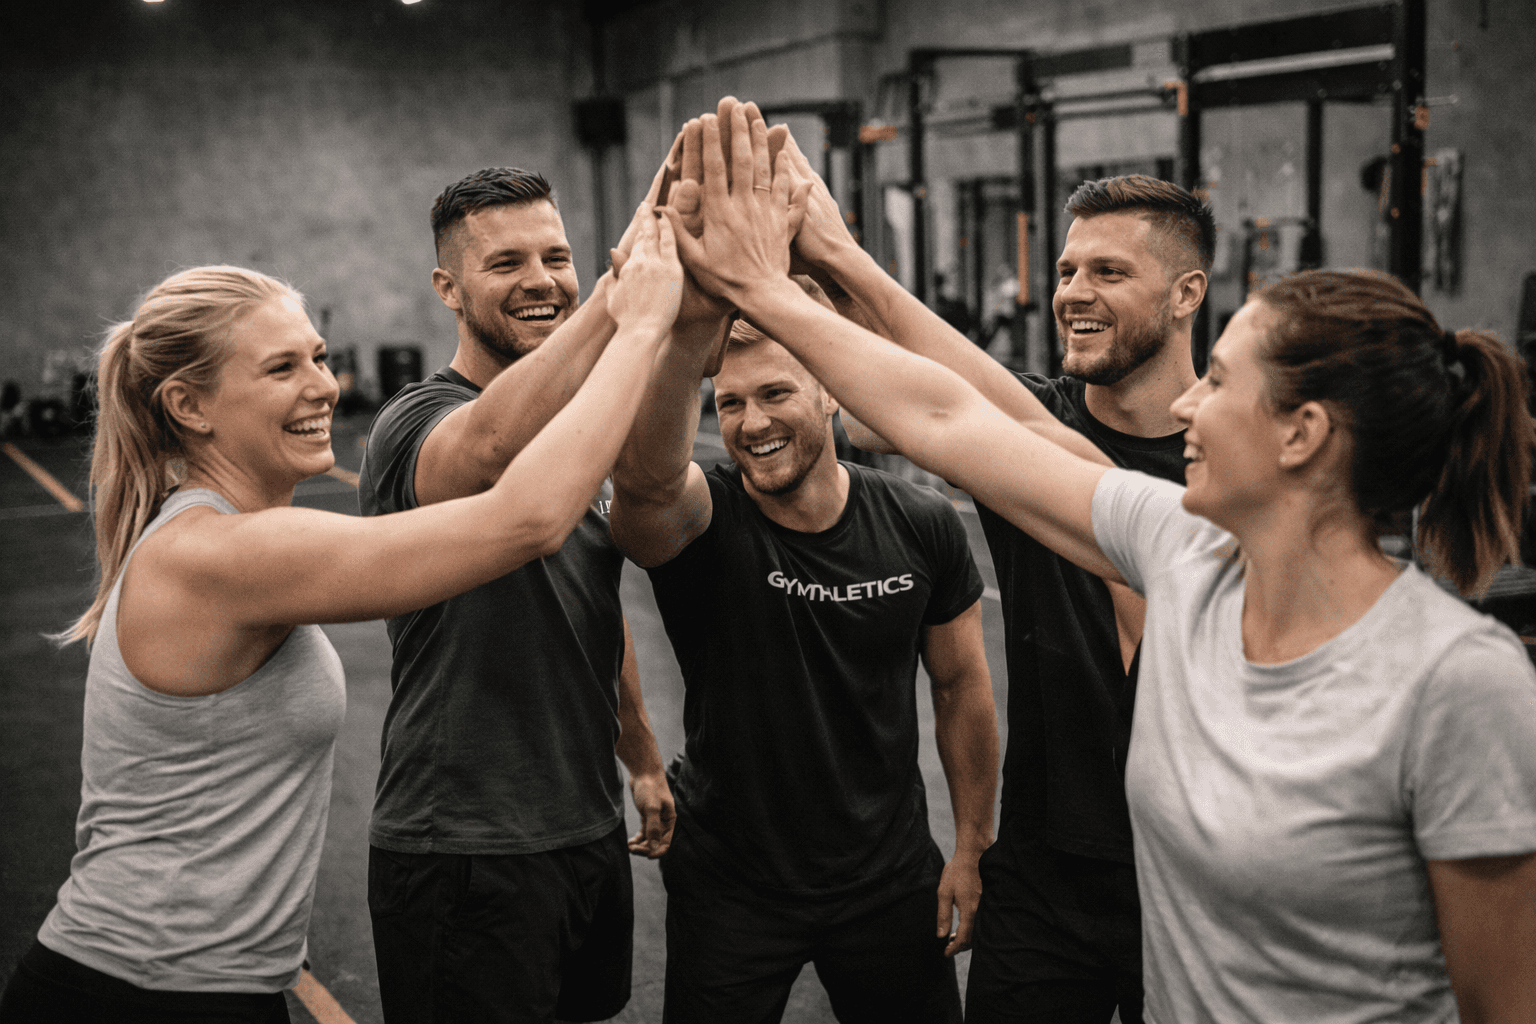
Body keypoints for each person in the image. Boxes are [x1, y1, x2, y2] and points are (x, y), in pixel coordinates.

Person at [666, 106, 1536, 1023]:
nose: (1194, 407)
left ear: (1302, 434)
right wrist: (773, 283)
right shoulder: (1176, 545)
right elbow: (952, 418)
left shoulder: (1461, 683)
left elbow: (1503, 1002)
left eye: (1224, 384)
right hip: (1058, 891)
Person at [0, 233, 684, 1022]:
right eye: (281, 368)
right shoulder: (216, 552)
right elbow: (524, 520)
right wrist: (635, 325)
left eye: (319, 357)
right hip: (137, 990)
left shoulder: (224, 535)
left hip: (212, 983)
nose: (323, 386)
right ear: (188, 407)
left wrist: (612, 295)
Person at [788, 160, 1213, 1024]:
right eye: (1066, 270)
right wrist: (796, 274)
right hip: (1046, 870)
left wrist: (831, 257)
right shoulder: (1032, 415)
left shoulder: (1225, 459)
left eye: (1108, 271)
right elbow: (895, 407)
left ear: (1186, 294)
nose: (1072, 292)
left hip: (1191, 873)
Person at [610, 108, 998, 1021]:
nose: (750, 422)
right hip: (733, 886)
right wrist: (684, 328)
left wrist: (972, 846)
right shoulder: (708, 518)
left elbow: (963, 688)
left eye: (777, 392)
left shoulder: (920, 523)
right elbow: (647, 484)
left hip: (888, 880)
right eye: (731, 401)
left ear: (830, 389)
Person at [357, 162, 720, 1024]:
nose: (540, 282)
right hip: (462, 841)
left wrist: (636, 757)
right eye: (506, 263)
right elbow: (482, 453)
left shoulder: (579, 427)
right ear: (448, 287)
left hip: (580, 825)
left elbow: (595, 602)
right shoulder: (416, 421)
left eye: (557, 257)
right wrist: (620, 301)